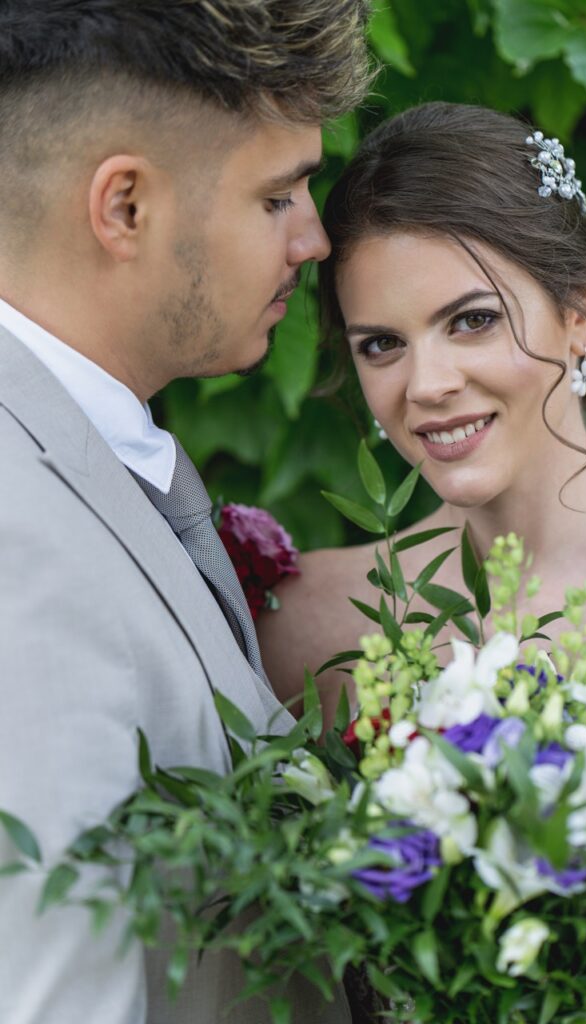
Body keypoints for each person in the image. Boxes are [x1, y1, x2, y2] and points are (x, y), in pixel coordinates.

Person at [0, 3, 372, 1023]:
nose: (314, 239)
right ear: (124, 206)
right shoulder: (18, 538)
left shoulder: (76, 453)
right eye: (276, 195)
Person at [257, 102, 586, 718]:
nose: (427, 386)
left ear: (583, 312)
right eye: (382, 344)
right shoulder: (302, 625)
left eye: (473, 320)